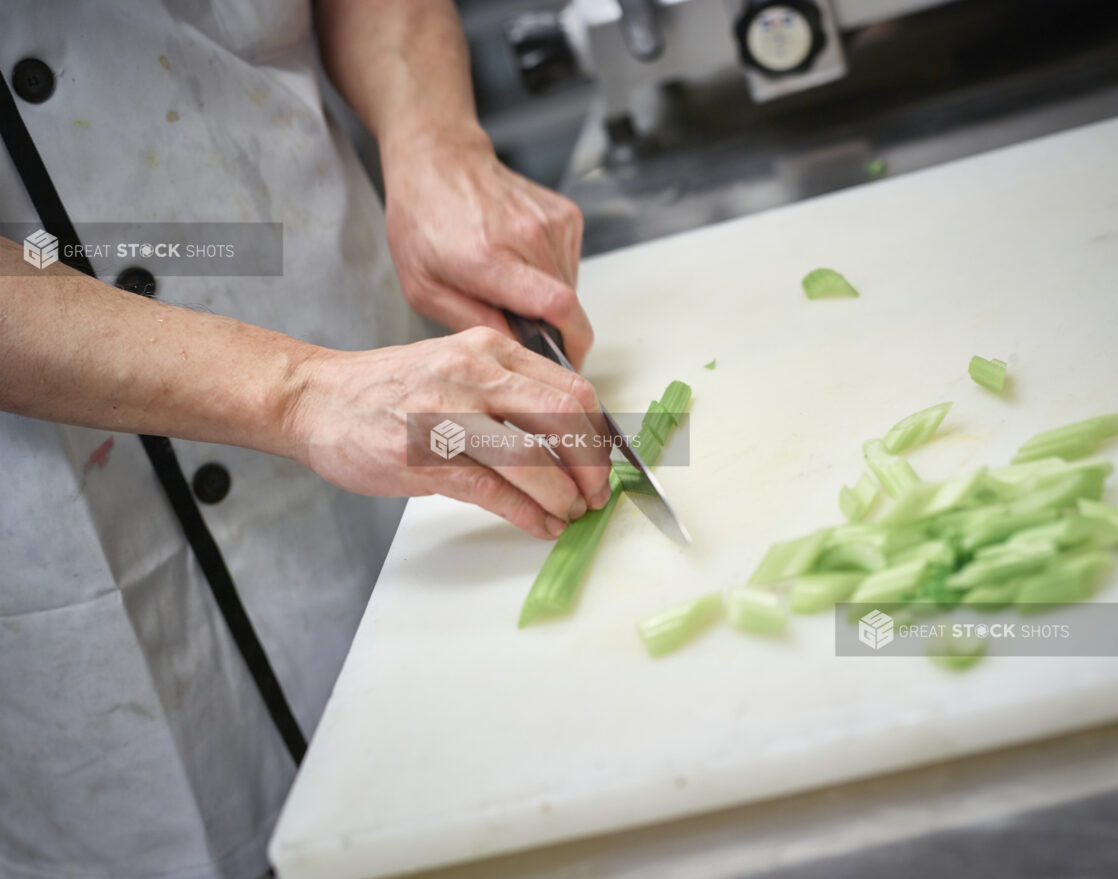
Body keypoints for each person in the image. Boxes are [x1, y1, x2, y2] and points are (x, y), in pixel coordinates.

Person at [0, 2, 611, 877]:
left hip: (354, 328)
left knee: (497, 757)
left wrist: (434, 139)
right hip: (52, 529)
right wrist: (301, 392)